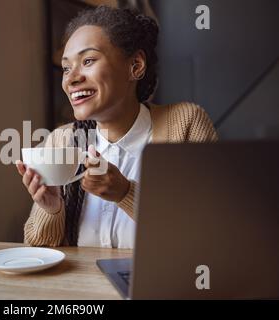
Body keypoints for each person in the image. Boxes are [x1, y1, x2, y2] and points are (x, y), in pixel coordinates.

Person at [15, 6, 217, 248]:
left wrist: (126, 193)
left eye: (88, 61)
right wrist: (51, 209)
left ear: (136, 66)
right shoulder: (61, 140)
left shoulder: (186, 123)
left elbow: (207, 231)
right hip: (78, 287)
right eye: (67, 68)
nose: (70, 79)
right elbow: (38, 253)